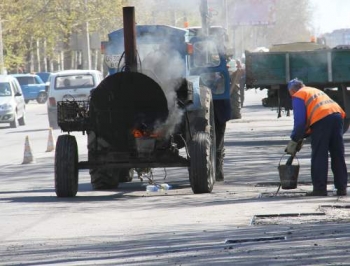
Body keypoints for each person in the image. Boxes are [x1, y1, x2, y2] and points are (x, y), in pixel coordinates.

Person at [285, 78, 348, 196]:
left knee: (319, 154)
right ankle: (342, 188)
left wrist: (294, 139)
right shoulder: (313, 90)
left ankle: (320, 189)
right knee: (337, 154)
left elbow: (299, 122)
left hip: (322, 119)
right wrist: (305, 134)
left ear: (292, 91)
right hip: (338, 116)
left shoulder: (298, 95)